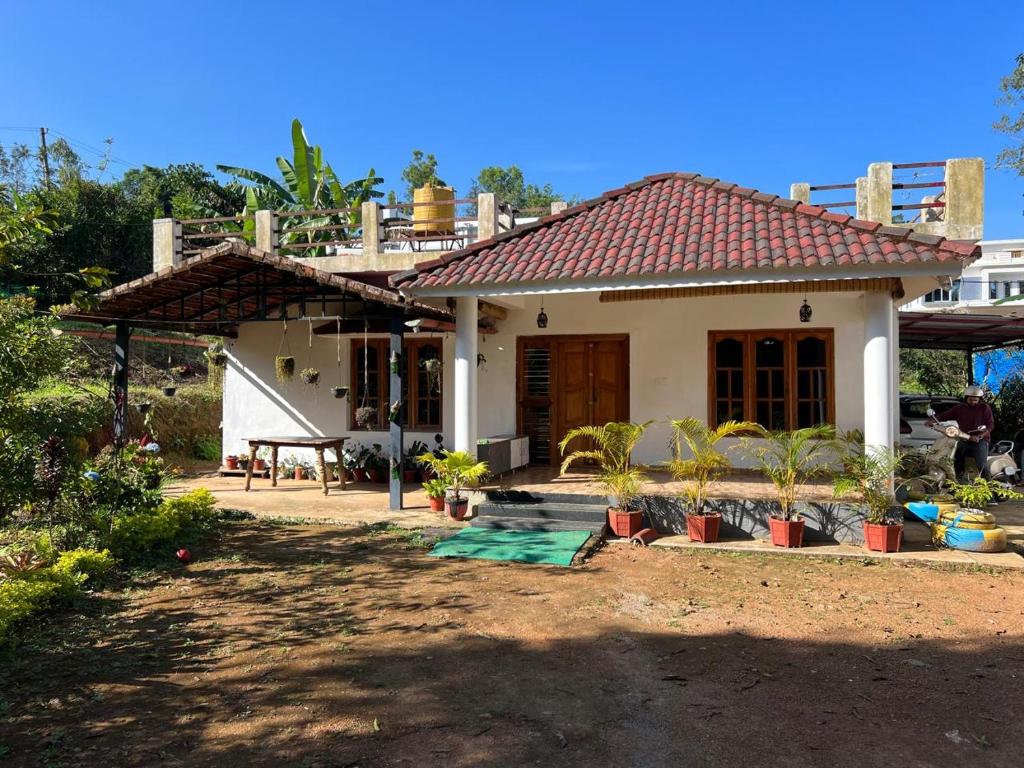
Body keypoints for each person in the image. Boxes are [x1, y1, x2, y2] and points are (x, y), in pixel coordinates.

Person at [926, 385, 995, 480]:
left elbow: (990, 425)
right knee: (956, 461)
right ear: (966, 398)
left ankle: (991, 487)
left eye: (976, 400)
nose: (973, 402)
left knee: (981, 465)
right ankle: (957, 483)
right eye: (971, 400)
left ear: (979, 399)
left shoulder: (984, 408)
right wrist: (932, 420)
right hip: (964, 438)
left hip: (980, 440)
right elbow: (945, 415)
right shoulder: (959, 408)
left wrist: (980, 436)